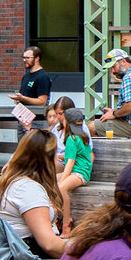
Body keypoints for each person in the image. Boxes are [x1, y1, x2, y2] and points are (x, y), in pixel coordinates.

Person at [0, 129, 68, 260]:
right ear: (46, 158)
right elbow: (48, 244)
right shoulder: (28, 189)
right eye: (56, 152)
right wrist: (84, 253)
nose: (59, 157)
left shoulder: (19, 182)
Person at [49, 96, 93, 225]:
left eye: (61, 114)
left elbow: (71, 162)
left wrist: (63, 180)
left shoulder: (73, 139)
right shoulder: (76, 136)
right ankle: (55, 214)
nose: (58, 118)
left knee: (61, 187)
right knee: (49, 180)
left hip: (77, 171)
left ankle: (66, 223)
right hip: (74, 170)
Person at [13, 45, 53, 132]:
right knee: (22, 145)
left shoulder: (43, 77)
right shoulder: (26, 76)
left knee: (35, 145)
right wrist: (18, 99)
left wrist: (23, 98)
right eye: (23, 57)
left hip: (36, 120)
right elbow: (24, 96)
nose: (24, 60)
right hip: (22, 118)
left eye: (27, 58)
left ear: (37, 58)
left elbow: (42, 102)